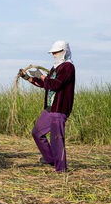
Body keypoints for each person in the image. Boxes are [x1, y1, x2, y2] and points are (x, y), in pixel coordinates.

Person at [18, 40, 75, 172]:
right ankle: (50, 159)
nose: (55, 54)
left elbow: (56, 85)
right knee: (37, 133)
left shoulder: (68, 67)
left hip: (59, 109)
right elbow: (46, 85)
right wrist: (28, 78)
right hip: (49, 109)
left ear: (64, 52)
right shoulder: (55, 68)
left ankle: (61, 169)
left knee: (57, 140)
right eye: (53, 53)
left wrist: (43, 76)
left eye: (57, 52)